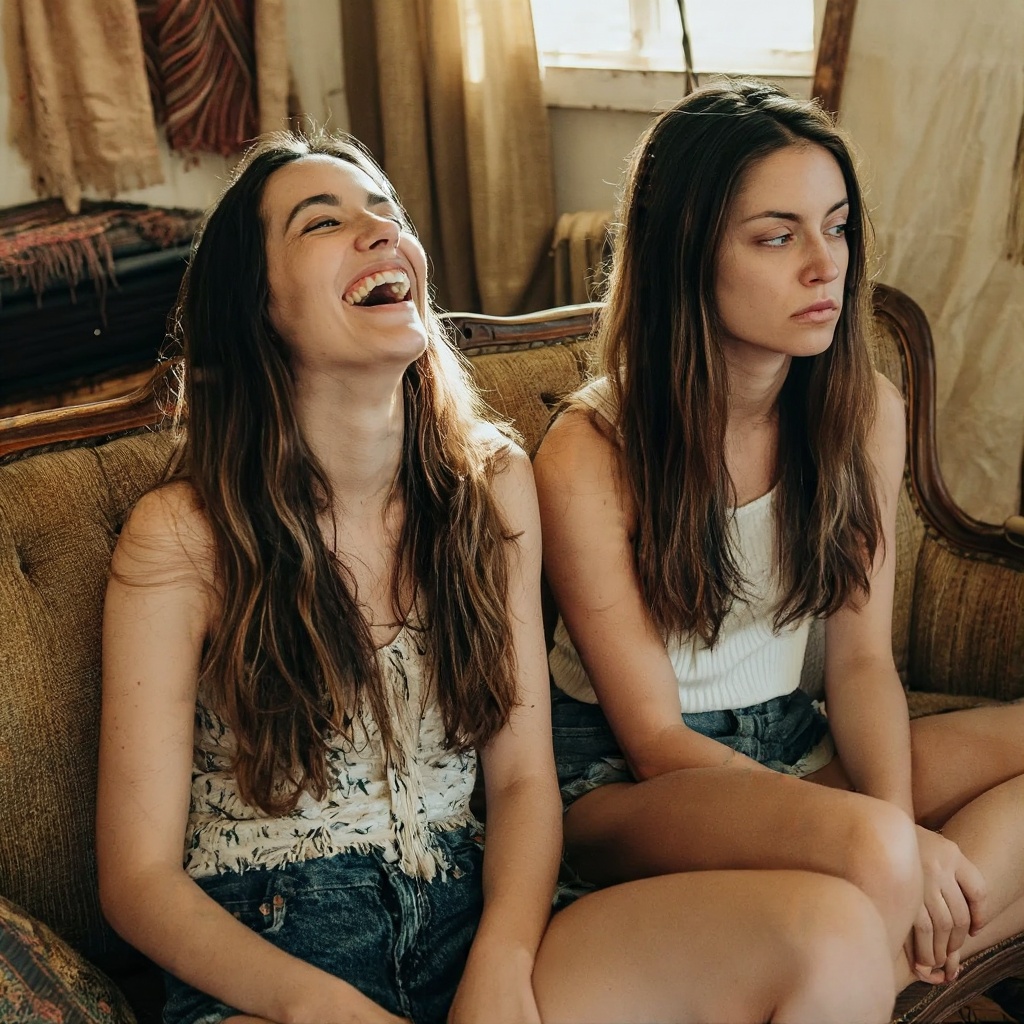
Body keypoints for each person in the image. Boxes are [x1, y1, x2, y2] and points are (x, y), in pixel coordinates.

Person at [97, 126, 896, 1024]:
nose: (379, 231)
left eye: (387, 212)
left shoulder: (491, 484)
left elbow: (520, 784)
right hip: (275, 956)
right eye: (323, 222)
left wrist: (503, 957)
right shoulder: (183, 534)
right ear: (256, 305)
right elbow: (137, 878)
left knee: (837, 937)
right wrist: (314, 1004)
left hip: (475, 918)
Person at [533, 76, 1024, 999]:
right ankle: (884, 952)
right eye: (776, 236)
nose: (824, 265)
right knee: (880, 846)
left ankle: (879, 963)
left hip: (791, 741)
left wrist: (894, 834)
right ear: (687, 253)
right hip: (627, 785)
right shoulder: (590, 452)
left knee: (903, 833)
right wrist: (890, 843)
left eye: (836, 228)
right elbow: (654, 739)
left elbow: (862, 666)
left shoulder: (865, 413)